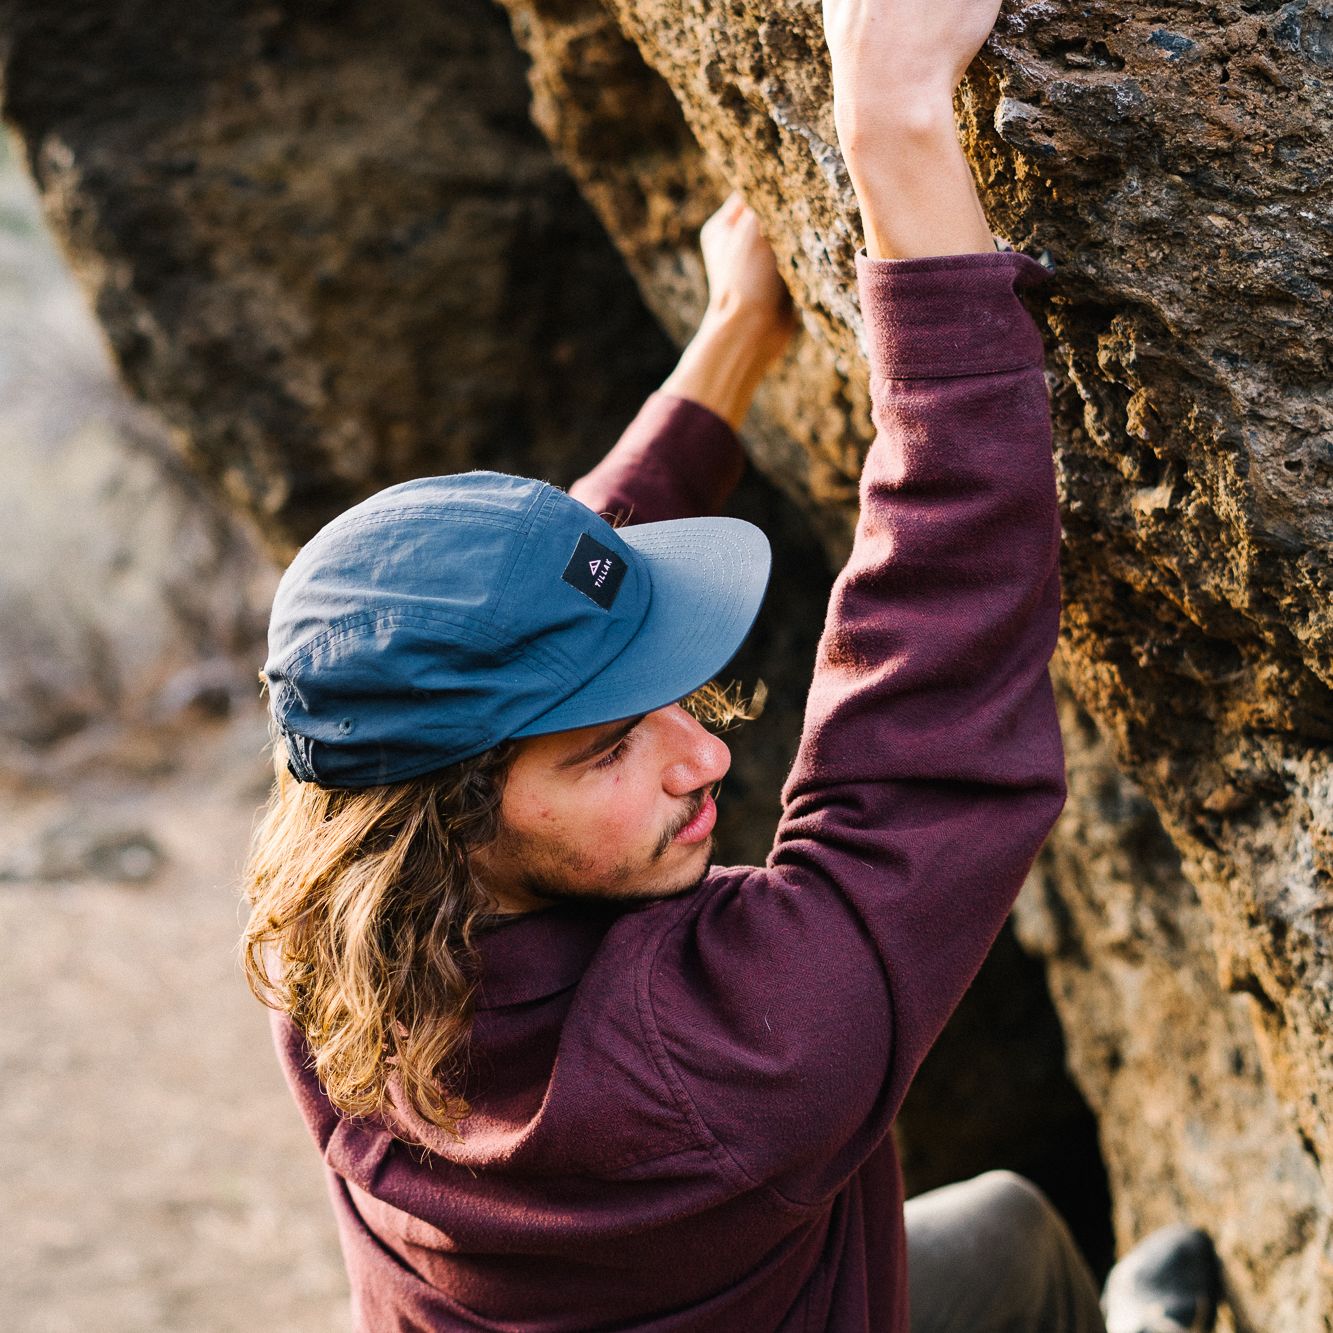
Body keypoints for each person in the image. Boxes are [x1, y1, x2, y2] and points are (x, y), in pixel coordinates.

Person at [243, 0, 1221, 1328]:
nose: (703, 753)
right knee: (1014, 1244)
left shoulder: (328, 947)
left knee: (1007, 1235)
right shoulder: (718, 1067)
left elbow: (496, 638)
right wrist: (894, 131)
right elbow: (935, 681)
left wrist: (735, 338)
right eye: (607, 747)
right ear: (447, 820)